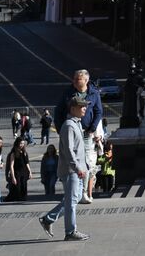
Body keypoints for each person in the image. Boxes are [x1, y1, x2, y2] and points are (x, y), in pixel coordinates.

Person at [39, 92, 92, 241]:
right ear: (73, 108)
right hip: (71, 171)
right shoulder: (69, 126)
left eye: (85, 107)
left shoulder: (76, 124)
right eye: (82, 107)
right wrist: (77, 168)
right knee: (71, 203)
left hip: (77, 170)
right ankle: (70, 232)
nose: (85, 109)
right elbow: (69, 150)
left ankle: (48, 219)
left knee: (72, 200)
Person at [54, 69, 103, 203]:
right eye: (74, 78)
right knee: (70, 158)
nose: (74, 81)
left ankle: (82, 192)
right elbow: (58, 112)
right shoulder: (68, 93)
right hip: (71, 131)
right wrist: (60, 129)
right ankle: (71, 190)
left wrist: (92, 128)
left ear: (86, 81)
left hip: (86, 133)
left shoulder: (93, 93)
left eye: (77, 79)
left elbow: (99, 112)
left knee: (86, 163)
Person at [6, 137, 31, 201]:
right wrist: (13, 177)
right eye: (20, 143)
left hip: (24, 172)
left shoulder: (24, 152)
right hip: (17, 172)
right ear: (17, 143)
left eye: (23, 143)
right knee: (18, 187)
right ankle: (17, 199)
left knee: (24, 185)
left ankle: (23, 198)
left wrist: (30, 172)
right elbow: (11, 165)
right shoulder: (13, 153)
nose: (22, 145)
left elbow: (27, 163)